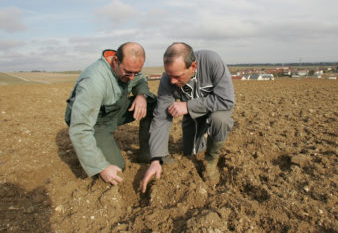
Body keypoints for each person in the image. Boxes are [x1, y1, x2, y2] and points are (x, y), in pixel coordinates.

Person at [140, 42, 235, 192]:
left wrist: (187, 106)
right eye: (168, 74)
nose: (171, 81)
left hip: (217, 108)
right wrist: (156, 159)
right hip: (192, 116)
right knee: (190, 152)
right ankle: (199, 141)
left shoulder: (212, 62)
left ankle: (211, 159)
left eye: (177, 76)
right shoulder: (167, 80)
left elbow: (226, 100)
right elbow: (161, 118)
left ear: (193, 66)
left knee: (220, 120)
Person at [65, 42, 156, 185]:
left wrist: (141, 96)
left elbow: (140, 81)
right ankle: (92, 153)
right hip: (97, 121)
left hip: (114, 109)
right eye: (128, 73)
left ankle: (146, 153)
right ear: (115, 61)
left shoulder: (130, 67)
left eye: (136, 72)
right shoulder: (94, 81)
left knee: (152, 103)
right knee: (116, 169)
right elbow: (80, 127)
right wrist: (100, 167)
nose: (132, 77)